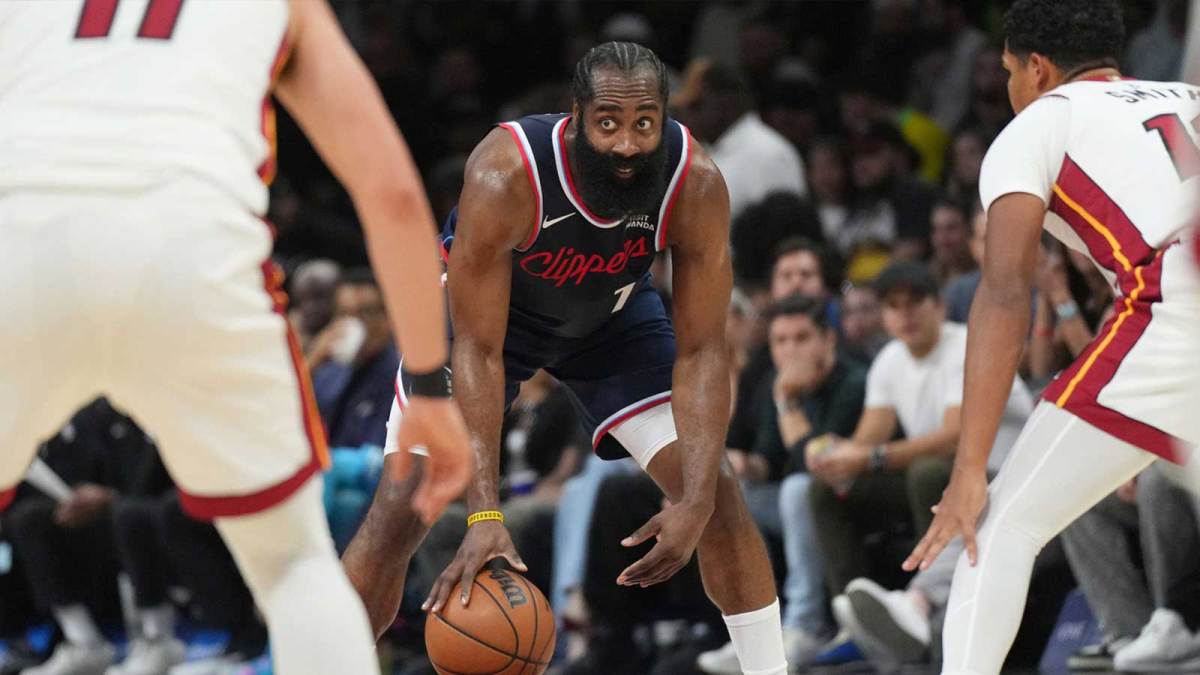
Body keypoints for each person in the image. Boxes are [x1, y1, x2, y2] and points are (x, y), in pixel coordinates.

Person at [0, 2, 473, 673]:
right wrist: (426, 385)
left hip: (18, 245)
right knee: (293, 566)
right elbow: (390, 191)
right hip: (191, 253)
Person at [344, 42, 790, 675]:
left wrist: (693, 501)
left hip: (612, 319)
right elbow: (478, 349)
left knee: (716, 491)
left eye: (645, 123)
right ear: (576, 118)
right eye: (609, 122)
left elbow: (703, 350)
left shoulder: (693, 181)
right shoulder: (507, 173)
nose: (628, 143)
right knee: (402, 505)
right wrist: (484, 513)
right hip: (489, 329)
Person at [903, 3, 1200, 674]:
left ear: (1036, 69)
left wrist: (969, 469)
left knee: (999, 525)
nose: (1010, 87)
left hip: (1177, 303)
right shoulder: (1188, 95)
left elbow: (1005, 293)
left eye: (1009, 71)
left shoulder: (1039, 121)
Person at [699, 294, 868, 672]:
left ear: (829, 339)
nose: (790, 350)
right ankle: (746, 630)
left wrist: (786, 402)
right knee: (727, 496)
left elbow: (818, 462)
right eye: (780, 341)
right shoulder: (775, 385)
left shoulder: (852, 382)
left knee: (796, 491)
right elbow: (770, 460)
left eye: (801, 338)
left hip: (847, 497)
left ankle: (805, 625)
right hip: (800, 499)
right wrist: (741, 466)